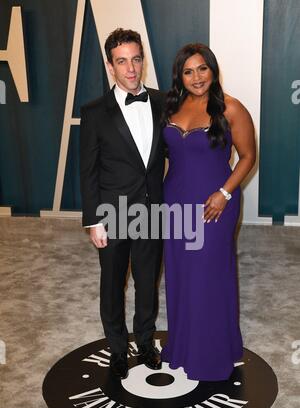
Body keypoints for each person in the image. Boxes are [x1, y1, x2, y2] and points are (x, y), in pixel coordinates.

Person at [161, 43, 256, 381]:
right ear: (180, 76)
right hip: (174, 203)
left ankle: (212, 354)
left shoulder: (230, 108)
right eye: (188, 71)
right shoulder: (171, 105)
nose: (196, 77)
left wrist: (225, 194)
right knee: (181, 275)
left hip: (214, 205)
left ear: (213, 70)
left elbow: (247, 156)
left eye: (202, 69)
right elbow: (168, 158)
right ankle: (184, 346)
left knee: (208, 276)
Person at [80, 28, 165, 379]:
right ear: (110, 66)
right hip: (112, 214)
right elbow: (87, 171)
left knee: (147, 283)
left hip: (153, 211)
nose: (131, 69)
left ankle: (145, 341)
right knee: (113, 285)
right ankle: (117, 349)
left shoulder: (163, 101)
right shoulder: (95, 111)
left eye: (136, 59)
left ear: (142, 60)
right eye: (122, 61)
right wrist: (93, 221)